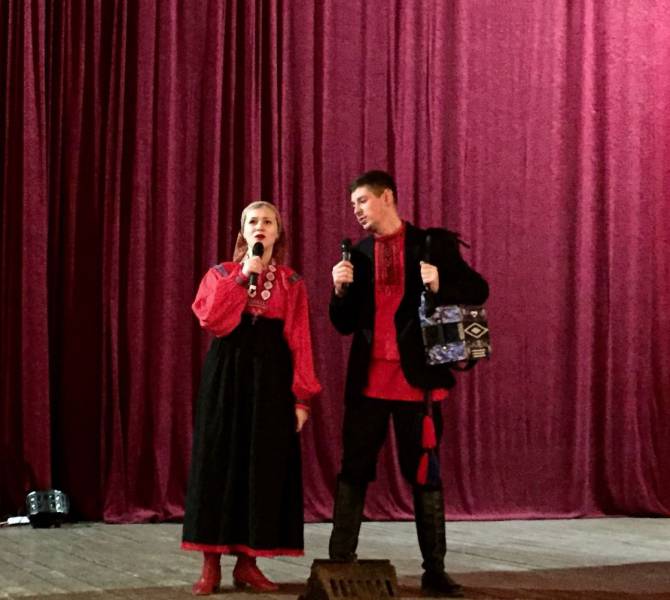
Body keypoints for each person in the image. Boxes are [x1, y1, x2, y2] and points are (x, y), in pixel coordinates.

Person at [328, 171, 489, 598]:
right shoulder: (358, 254)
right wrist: (339, 291)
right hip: (368, 383)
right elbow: (344, 325)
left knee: (424, 475)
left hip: (417, 385)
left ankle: (434, 570)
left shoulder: (431, 244)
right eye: (353, 204)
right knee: (354, 469)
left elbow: (478, 290)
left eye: (362, 201)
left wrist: (440, 283)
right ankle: (339, 561)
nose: (357, 210)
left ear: (387, 197)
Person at [182, 201, 321, 595]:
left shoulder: (292, 282)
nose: (261, 227)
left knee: (262, 464)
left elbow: (300, 339)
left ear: (279, 232)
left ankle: (248, 564)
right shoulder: (221, 273)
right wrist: (245, 275)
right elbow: (211, 319)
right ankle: (210, 564)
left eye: (268, 222)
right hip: (228, 371)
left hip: (271, 376)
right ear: (243, 232)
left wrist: (302, 398)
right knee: (217, 460)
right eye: (253, 221)